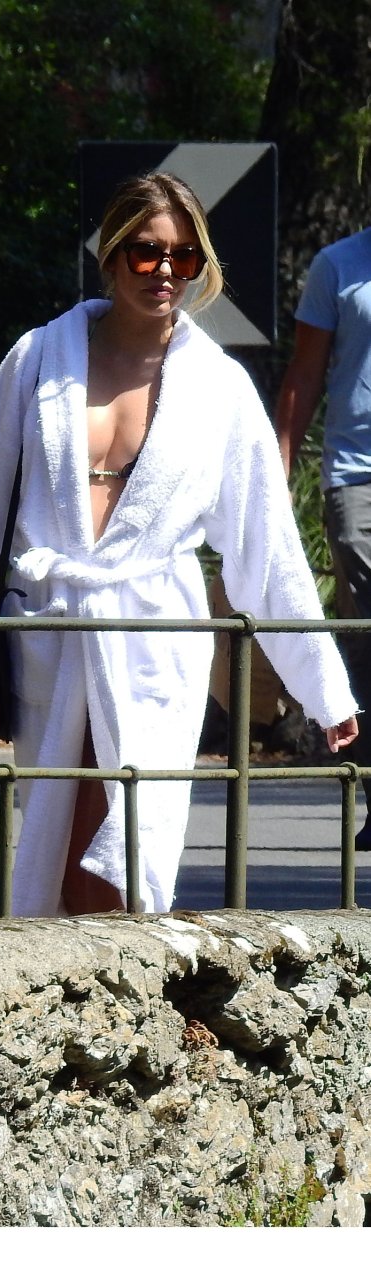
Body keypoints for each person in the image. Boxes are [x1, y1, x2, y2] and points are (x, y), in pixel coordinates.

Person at [0, 171, 358, 917]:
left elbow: (265, 547)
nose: (165, 272)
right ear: (111, 254)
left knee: (129, 848)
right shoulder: (37, 358)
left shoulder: (218, 387)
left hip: (154, 637)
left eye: (184, 256)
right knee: (56, 833)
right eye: (147, 252)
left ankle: (116, 981)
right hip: (54, 625)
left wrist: (322, 687)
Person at [275, 225, 371, 846]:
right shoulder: (337, 265)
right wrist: (275, 473)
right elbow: (304, 373)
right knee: (364, 634)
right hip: (357, 477)